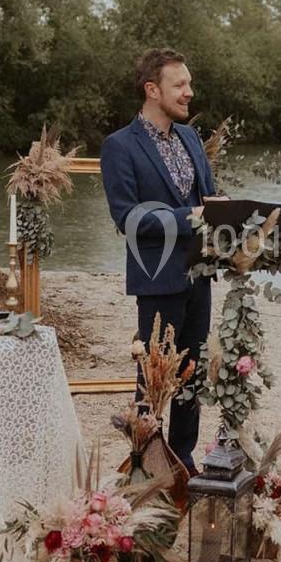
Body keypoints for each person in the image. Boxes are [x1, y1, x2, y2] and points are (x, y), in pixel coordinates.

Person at [100, 48, 222, 472]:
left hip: (200, 274)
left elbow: (208, 197)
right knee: (153, 379)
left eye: (189, 83)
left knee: (191, 374)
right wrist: (191, 217)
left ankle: (185, 462)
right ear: (153, 90)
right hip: (156, 278)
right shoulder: (119, 146)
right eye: (180, 85)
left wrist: (230, 212)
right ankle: (146, 462)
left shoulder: (190, 138)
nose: (190, 92)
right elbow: (127, 217)